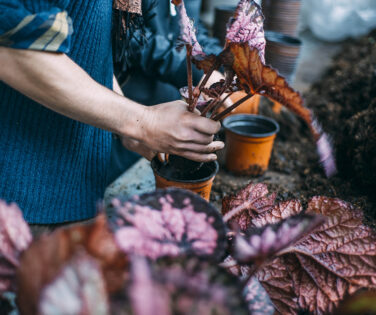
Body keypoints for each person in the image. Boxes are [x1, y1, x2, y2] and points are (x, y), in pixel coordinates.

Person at [0, 0, 223, 226]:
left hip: (75, 190)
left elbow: (86, 42)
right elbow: (11, 49)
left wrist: (127, 124)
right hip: (19, 205)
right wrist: (144, 121)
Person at [109, 0, 225, 182]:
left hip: (169, 108)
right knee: (119, 184)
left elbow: (192, 28)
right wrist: (192, 71)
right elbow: (126, 34)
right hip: (125, 106)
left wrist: (221, 62)